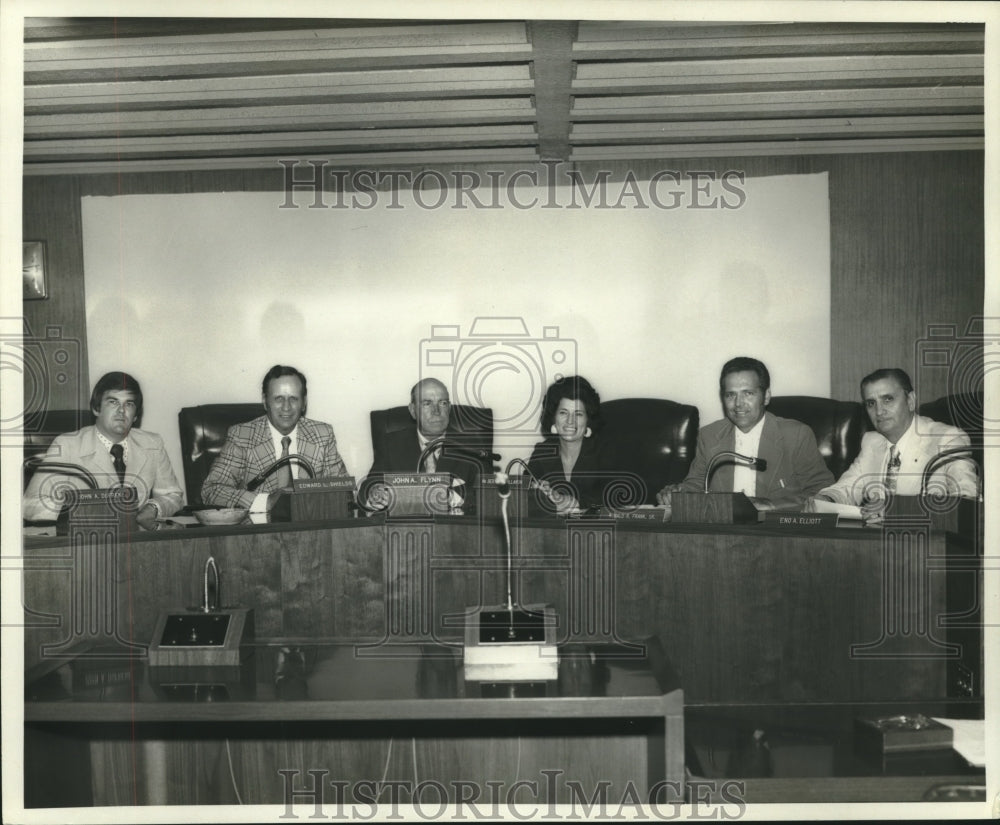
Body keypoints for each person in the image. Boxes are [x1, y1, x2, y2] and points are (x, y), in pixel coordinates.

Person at [656, 357, 833, 512]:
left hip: (779, 535)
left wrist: (772, 505)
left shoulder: (796, 435)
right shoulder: (709, 436)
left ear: (766, 397)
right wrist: (676, 494)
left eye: (748, 393)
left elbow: (823, 492)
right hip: (722, 533)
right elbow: (695, 486)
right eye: (730, 395)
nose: (738, 404)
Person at [22, 371, 183, 529]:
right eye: (113, 402)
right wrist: (83, 509)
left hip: (135, 542)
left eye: (129, 403)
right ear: (96, 409)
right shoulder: (67, 445)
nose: (121, 411)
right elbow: (30, 504)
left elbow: (172, 495)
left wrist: (154, 508)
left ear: (135, 416)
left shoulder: (152, 443)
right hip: (85, 542)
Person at [812, 368, 977, 517]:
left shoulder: (948, 439)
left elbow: (966, 500)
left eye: (888, 399)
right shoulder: (872, 442)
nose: (879, 411)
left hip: (923, 542)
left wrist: (892, 511)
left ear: (910, 400)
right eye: (871, 403)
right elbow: (848, 487)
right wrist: (825, 499)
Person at [202, 365, 348, 511]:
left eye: (293, 399)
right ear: (265, 401)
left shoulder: (323, 435)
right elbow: (212, 490)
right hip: (259, 530)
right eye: (278, 398)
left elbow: (344, 490)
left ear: (303, 403)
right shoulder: (241, 436)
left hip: (310, 526)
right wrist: (264, 502)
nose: (286, 407)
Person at [364, 377, 488, 513]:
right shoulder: (392, 444)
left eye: (443, 403)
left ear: (449, 408)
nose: (436, 411)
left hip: (456, 530)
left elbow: (489, 496)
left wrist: (453, 498)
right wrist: (374, 493)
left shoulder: (472, 446)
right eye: (427, 403)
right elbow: (368, 486)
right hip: (404, 529)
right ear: (412, 411)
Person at [526, 376, 610, 515]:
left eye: (578, 414)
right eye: (563, 413)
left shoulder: (605, 451)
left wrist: (575, 502)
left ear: (588, 420)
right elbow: (524, 498)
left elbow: (617, 494)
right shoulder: (542, 452)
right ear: (553, 417)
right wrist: (541, 496)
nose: (570, 421)